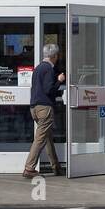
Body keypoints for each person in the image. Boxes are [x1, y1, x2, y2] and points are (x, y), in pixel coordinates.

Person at [24, 43, 65, 178]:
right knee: (41, 138)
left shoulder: (38, 68)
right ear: (54, 56)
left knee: (47, 138)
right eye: (57, 55)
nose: (58, 58)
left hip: (34, 107)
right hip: (44, 107)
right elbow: (49, 90)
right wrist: (59, 81)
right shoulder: (48, 69)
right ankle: (29, 168)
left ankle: (56, 167)